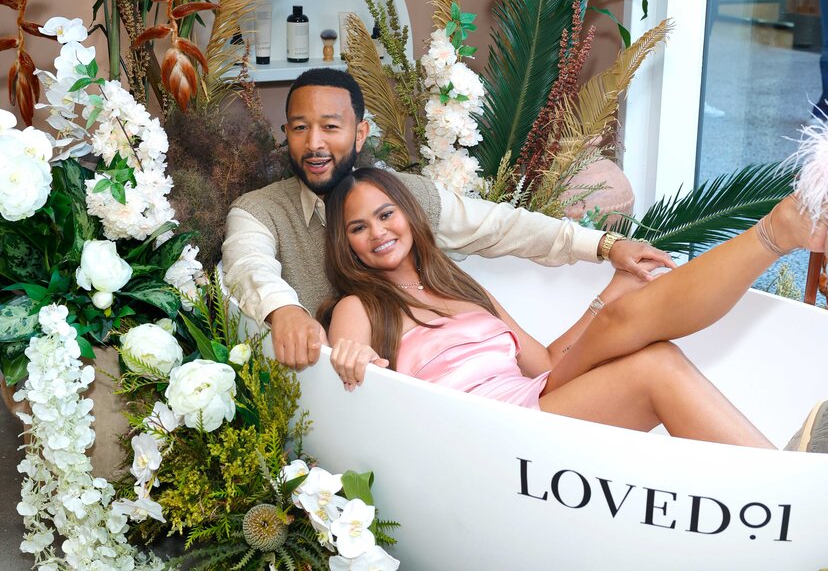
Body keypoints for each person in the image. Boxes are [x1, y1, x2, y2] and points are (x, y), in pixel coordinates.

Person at [321, 166, 828, 452]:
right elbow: (346, 356)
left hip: (532, 401)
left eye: (386, 214)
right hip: (484, 431)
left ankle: (777, 475)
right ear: (346, 244)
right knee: (636, 340)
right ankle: (781, 229)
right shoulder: (361, 306)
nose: (378, 233)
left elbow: (547, 366)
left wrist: (612, 292)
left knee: (657, 361)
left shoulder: (463, 289)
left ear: (409, 217)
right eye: (358, 227)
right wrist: (347, 356)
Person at [221, 68, 674, 370]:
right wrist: (284, 311)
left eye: (330, 127)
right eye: (300, 128)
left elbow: (500, 226)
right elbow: (248, 266)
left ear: (360, 133)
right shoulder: (259, 210)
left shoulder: (404, 195)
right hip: (352, 396)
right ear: (287, 135)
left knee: (658, 359)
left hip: (439, 382)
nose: (314, 143)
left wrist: (604, 246)